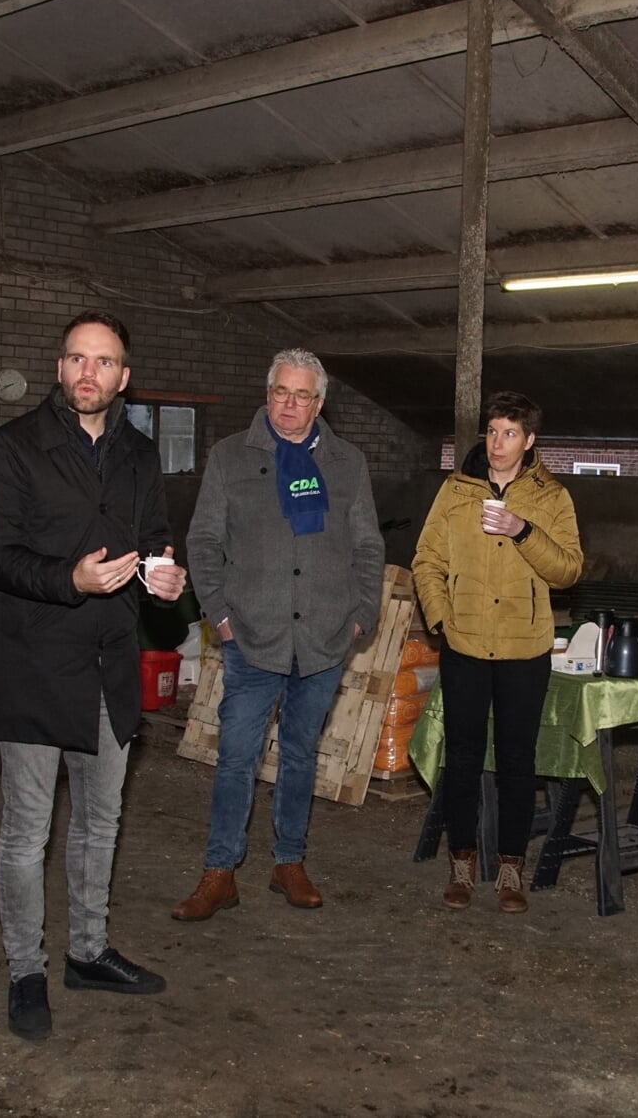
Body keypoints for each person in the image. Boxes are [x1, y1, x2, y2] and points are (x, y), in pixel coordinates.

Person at [0, 310, 184, 1041]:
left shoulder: (137, 452)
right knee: (27, 834)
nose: (87, 372)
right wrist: (70, 577)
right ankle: (25, 970)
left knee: (102, 821)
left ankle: (88, 951)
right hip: (36, 663)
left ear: (123, 377)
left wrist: (162, 574)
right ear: (59, 368)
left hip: (110, 662)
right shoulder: (14, 447)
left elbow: (153, 533)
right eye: (75, 358)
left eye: (102, 361)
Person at [172, 349, 383, 921]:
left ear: (319, 402)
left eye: (301, 396)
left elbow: (368, 545)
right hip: (253, 637)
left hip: (322, 637)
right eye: (279, 393)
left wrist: (362, 613)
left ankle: (289, 861)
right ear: (267, 395)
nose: (288, 407)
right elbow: (203, 542)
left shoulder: (346, 463)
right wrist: (218, 613)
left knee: (299, 755)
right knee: (236, 755)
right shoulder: (229, 458)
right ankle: (220, 871)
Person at [412, 391, 583, 913]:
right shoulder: (455, 491)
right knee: (461, 758)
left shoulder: (552, 498)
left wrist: (523, 531)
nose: (498, 443)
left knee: (516, 760)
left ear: (530, 441)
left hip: (523, 647)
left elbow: (569, 570)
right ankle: (461, 864)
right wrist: (442, 619)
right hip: (464, 644)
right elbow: (426, 560)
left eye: (510, 433)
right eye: (492, 431)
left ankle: (511, 868)